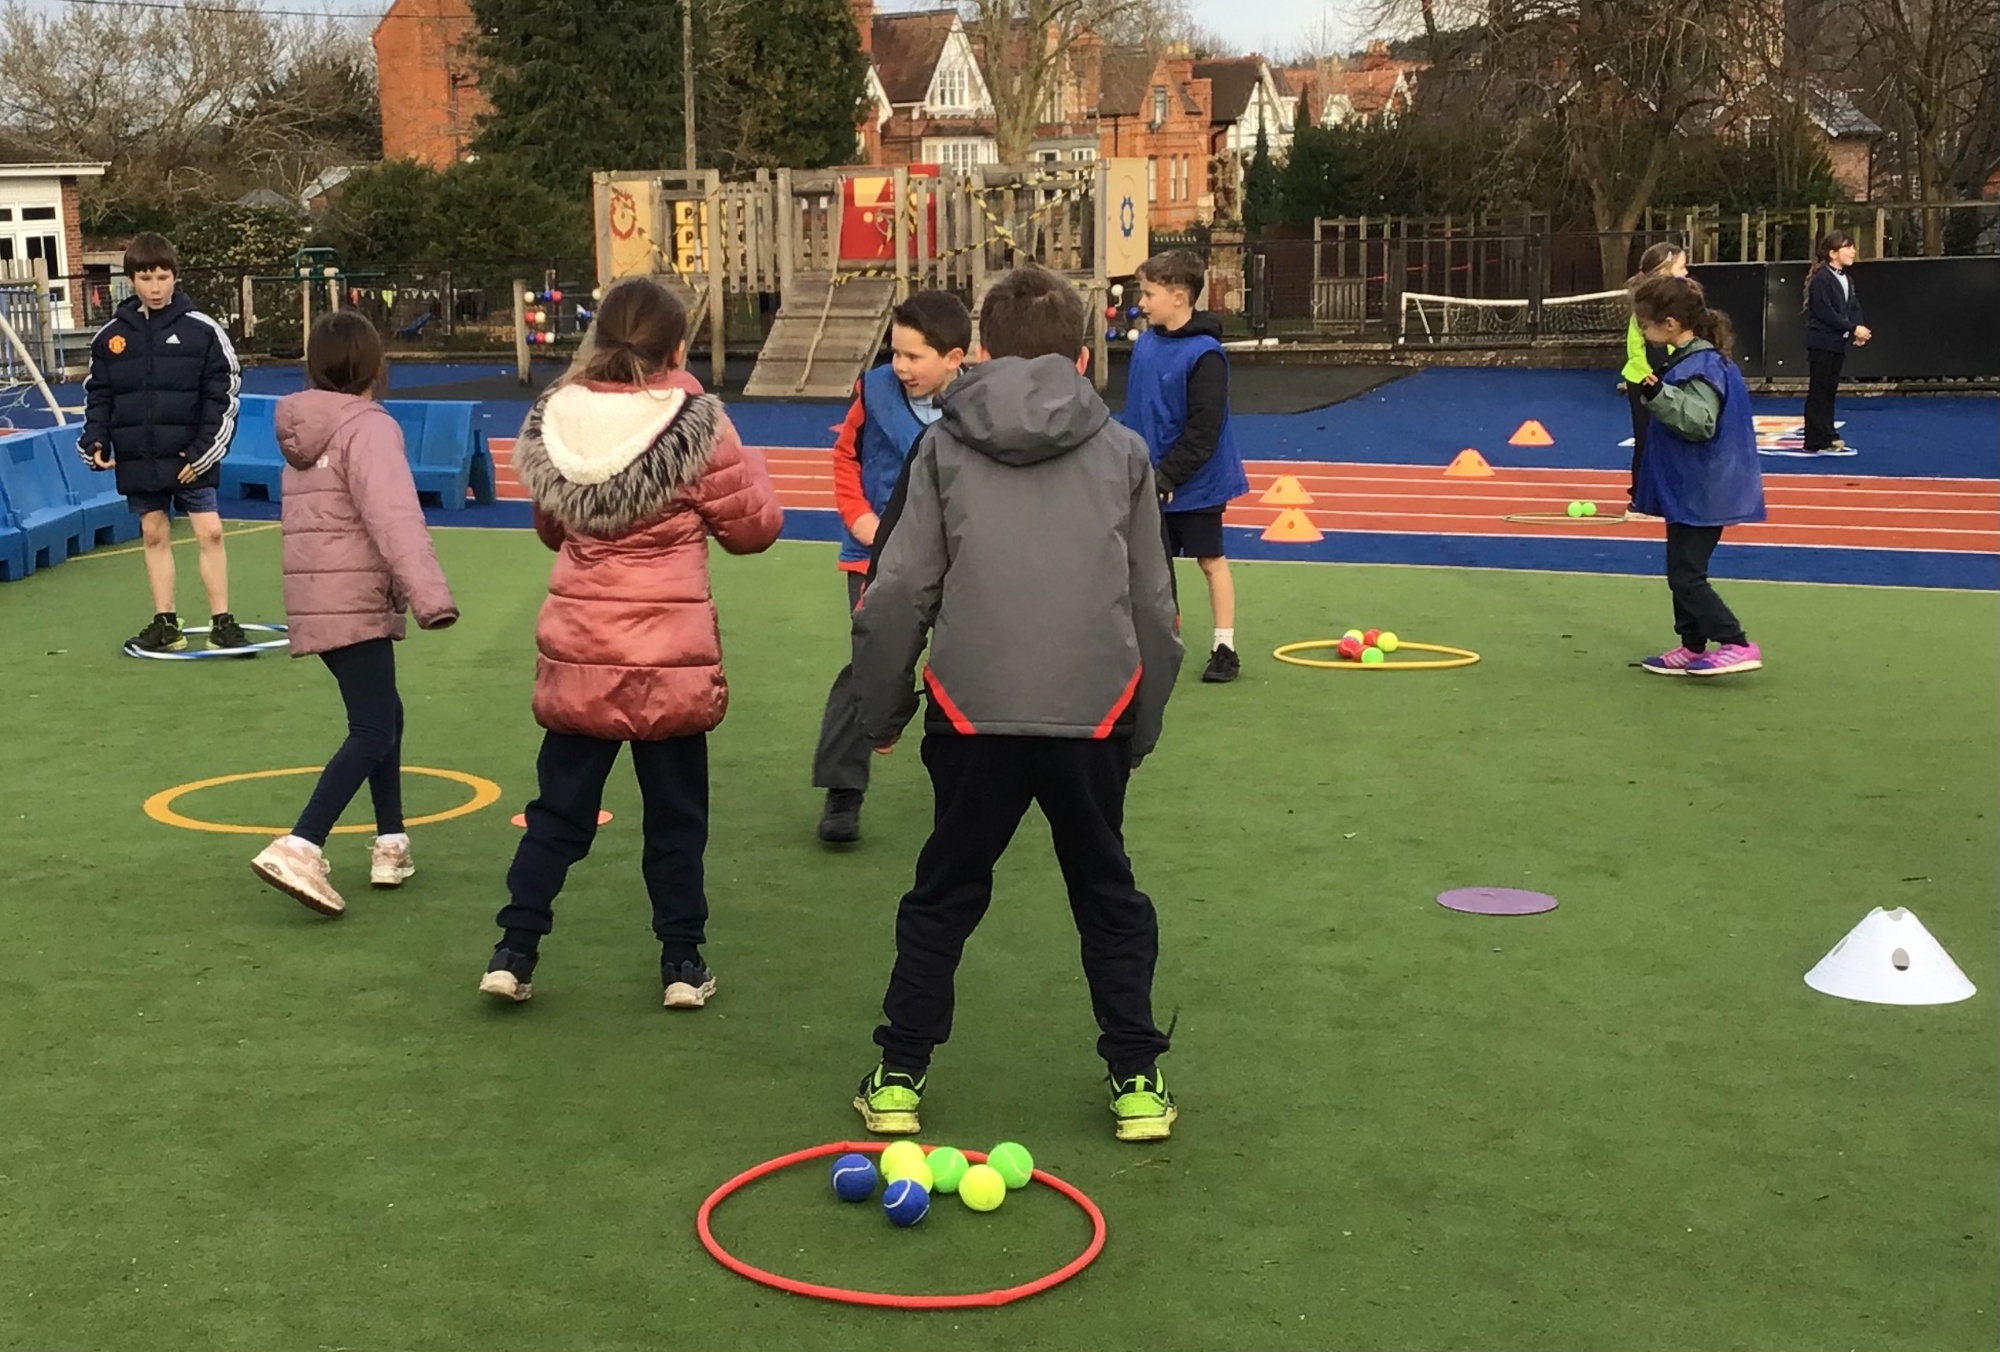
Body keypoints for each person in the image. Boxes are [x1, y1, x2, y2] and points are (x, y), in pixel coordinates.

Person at [847, 265, 1185, 1143]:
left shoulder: (944, 448)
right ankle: (1137, 1079)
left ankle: (898, 1076)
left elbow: (895, 596)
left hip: (971, 709)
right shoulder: (1122, 452)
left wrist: (880, 716)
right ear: (1082, 354)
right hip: (1095, 710)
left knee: (944, 891)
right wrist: (1138, 728)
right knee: (1107, 892)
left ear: (982, 352)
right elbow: (1155, 607)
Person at [482, 278, 782, 1009]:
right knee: (676, 819)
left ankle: (514, 950)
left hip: (581, 650)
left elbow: (553, 527)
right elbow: (754, 531)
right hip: (668, 656)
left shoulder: (557, 415)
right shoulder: (699, 422)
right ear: (677, 349)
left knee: (557, 812)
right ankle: (682, 962)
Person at [250, 313, 458, 917]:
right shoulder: (368, 427)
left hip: (320, 592)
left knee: (382, 713)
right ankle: (302, 842)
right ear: (374, 367)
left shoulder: (304, 427)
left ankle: (391, 839)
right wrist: (430, 596)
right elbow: (394, 516)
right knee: (372, 726)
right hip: (354, 594)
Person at [813, 291, 970, 845]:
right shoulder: (873, 390)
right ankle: (843, 789)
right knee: (869, 662)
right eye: (895, 353)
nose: (901, 366)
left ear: (954, 358)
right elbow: (844, 456)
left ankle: (969, 787)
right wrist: (857, 516)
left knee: (965, 666)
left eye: (914, 356)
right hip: (875, 553)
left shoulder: (976, 404)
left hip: (956, 558)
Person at [78, 232, 247, 653]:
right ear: (131, 280)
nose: (155, 287)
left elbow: (224, 392)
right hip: (139, 456)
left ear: (175, 277)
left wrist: (205, 450)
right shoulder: (111, 337)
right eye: (146, 278)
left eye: (162, 277)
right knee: (153, 533)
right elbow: (99, 394)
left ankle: (222, 621)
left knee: (210, 532)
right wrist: (95, 438)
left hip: (191, 456)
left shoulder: (203, 330)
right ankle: (165, 622)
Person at [1122, 250, 1249, 684]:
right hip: (1150, 476)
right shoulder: (1147, 343)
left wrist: (1170, 475)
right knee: (1147, 564)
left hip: (1195, 481)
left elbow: (1204, 428)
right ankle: (1157, 640)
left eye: (1149, 293)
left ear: (1179, 297)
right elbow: (1139, 412)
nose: (1142, 301)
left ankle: (1225, 646)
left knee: (1210, 560)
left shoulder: (1206, 356)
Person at [1630, 275, 1767, 678]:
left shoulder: (1702, 365)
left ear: (1670, 324)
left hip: (1705, 486)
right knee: (1680, 569)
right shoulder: (1692, 359)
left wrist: (1659, 396)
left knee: (1688, 574)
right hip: (1692, 486)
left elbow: (1701, 422)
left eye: (1645, 323)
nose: (1641, 330)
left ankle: (1735, 641)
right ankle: (1692, 644)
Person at [1619, 242, 1689, 514]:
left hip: (1667, 376)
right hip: (1648, 379)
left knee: (1669, 440)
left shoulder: (1675, 299)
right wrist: (1654, 376)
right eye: (1682, 266)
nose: (1687, 271)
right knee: (1648, 440)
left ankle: (1665, 495)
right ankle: (1640, 499)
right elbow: (1643, 347)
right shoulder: (1648, 305)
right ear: (1664, 271)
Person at [1803, 229, 1871, 455]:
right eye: (1847, 247)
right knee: (1819, 390)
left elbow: (1854, 307)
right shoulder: (1822, 279)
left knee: (1830, 389)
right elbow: (1825, 313)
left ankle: (1828, 434)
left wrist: (1858, 330)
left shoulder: (1847, 279)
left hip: (1837, 342)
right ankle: (1815, 439)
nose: (1853, 251)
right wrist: (1852, 328)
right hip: (1821, 341)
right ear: (1833, 253)